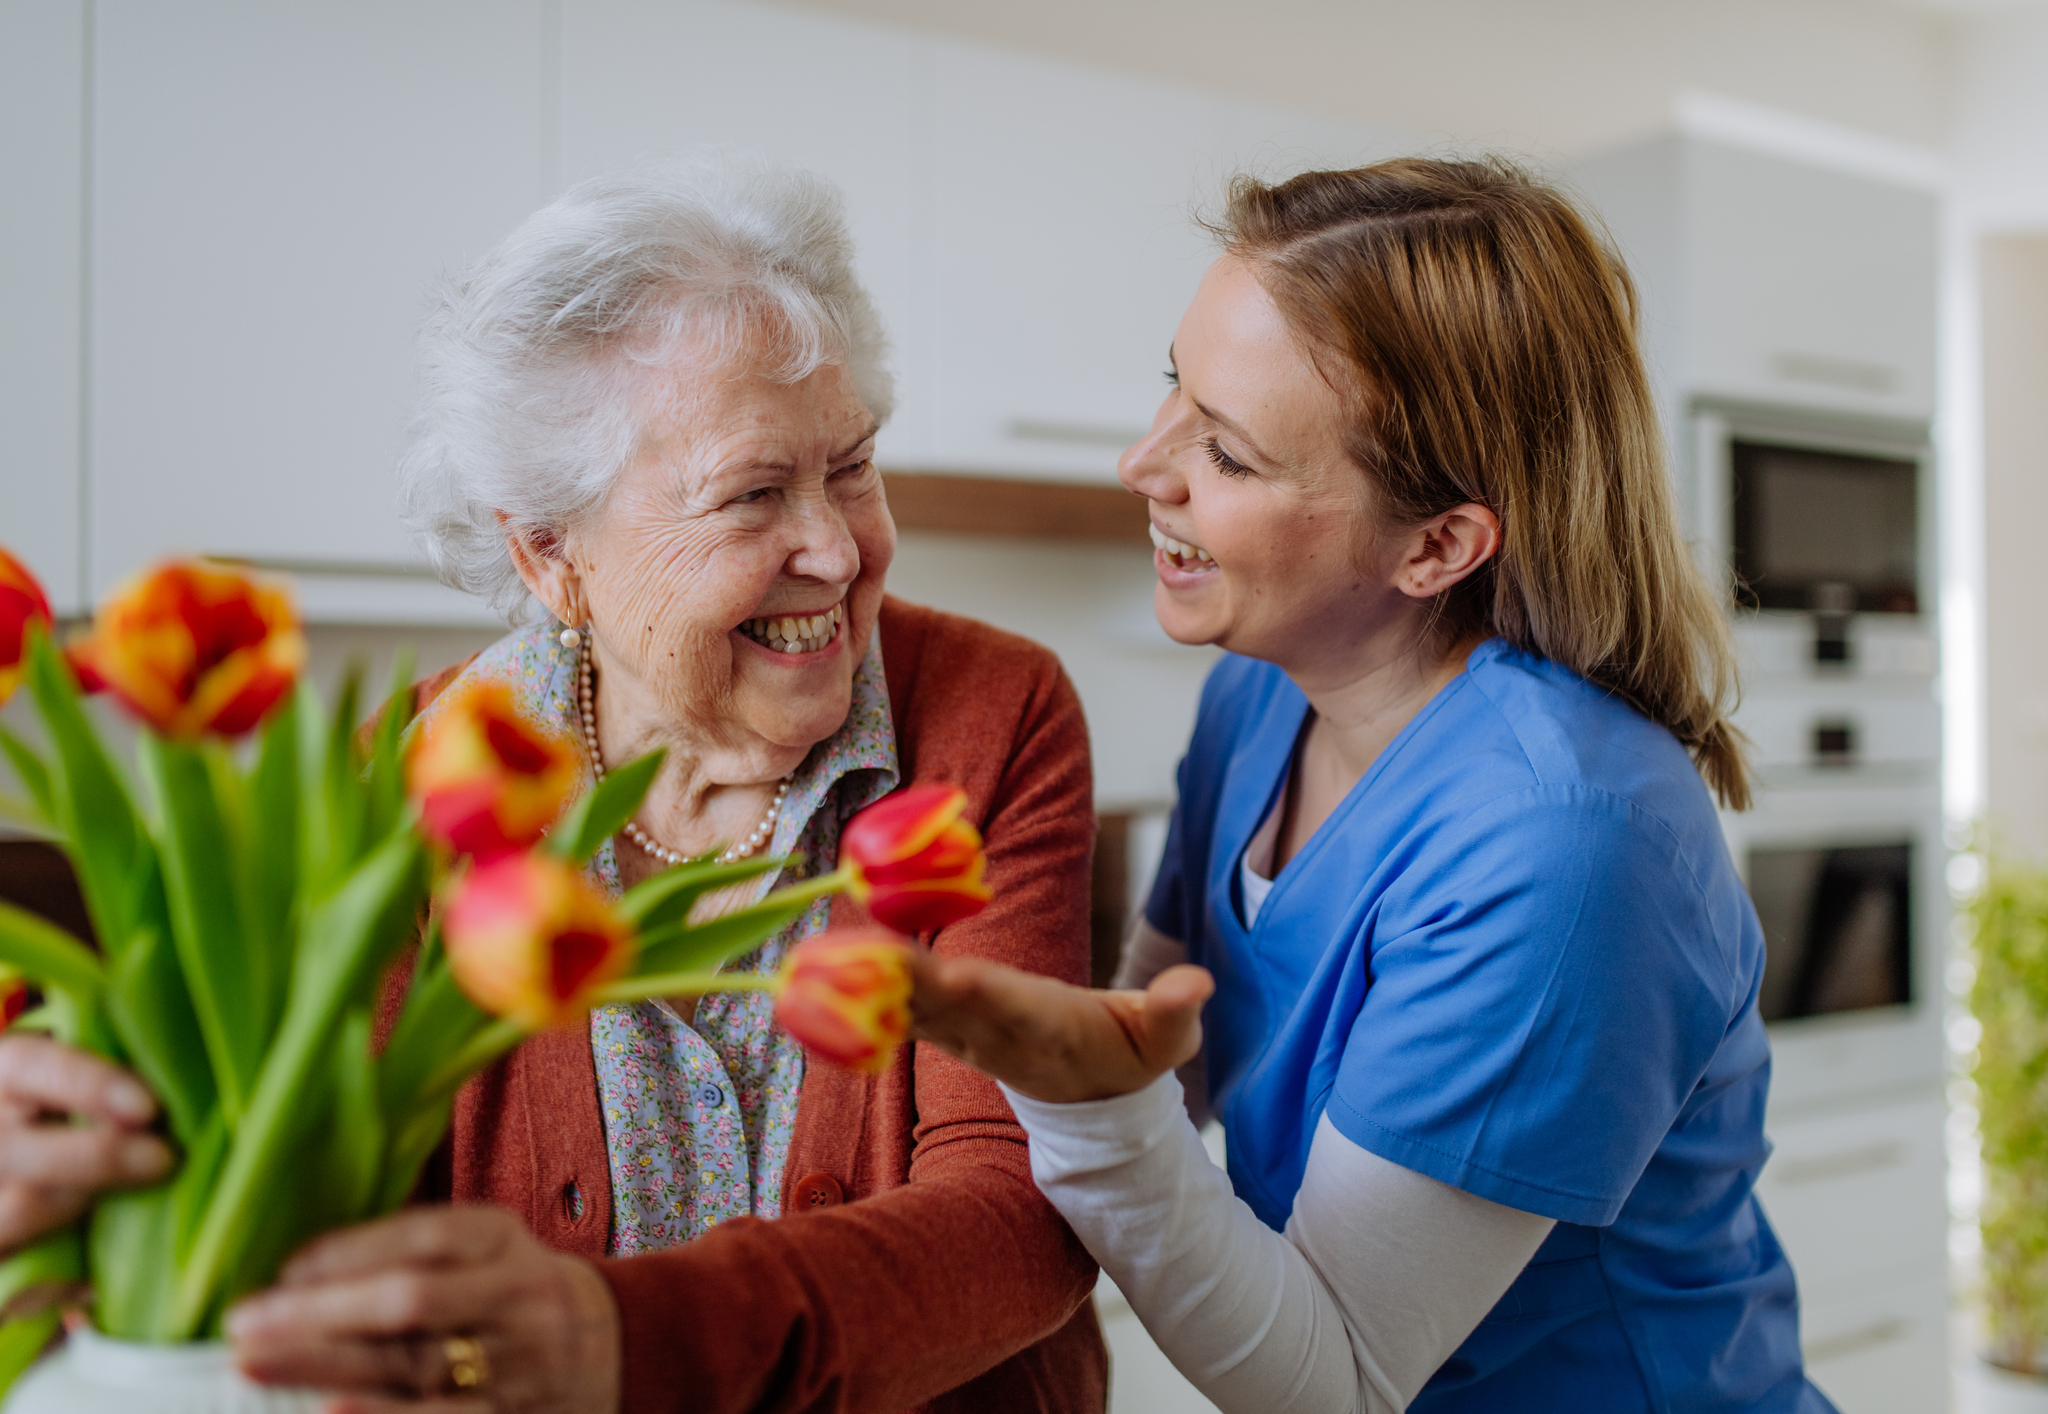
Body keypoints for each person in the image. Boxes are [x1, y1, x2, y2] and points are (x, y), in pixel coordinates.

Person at [0, 156, 1105, 1412]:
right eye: (754, 494)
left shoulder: (990, 713)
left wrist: (619, 1339)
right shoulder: (411, 785)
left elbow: (1025, 1204)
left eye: (851, 465)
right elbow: (296, 1194)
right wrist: (122, 1159)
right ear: (549, 553)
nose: (839, 546)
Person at [907, 158, 1833, 1413]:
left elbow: (1334, 1379)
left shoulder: (1560, 847)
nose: (1142, 461)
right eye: (1171, 385)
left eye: (1226, 454)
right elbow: (1157, 1045)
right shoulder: (1260, 692)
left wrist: (1088, 1103)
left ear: (1436, 545)